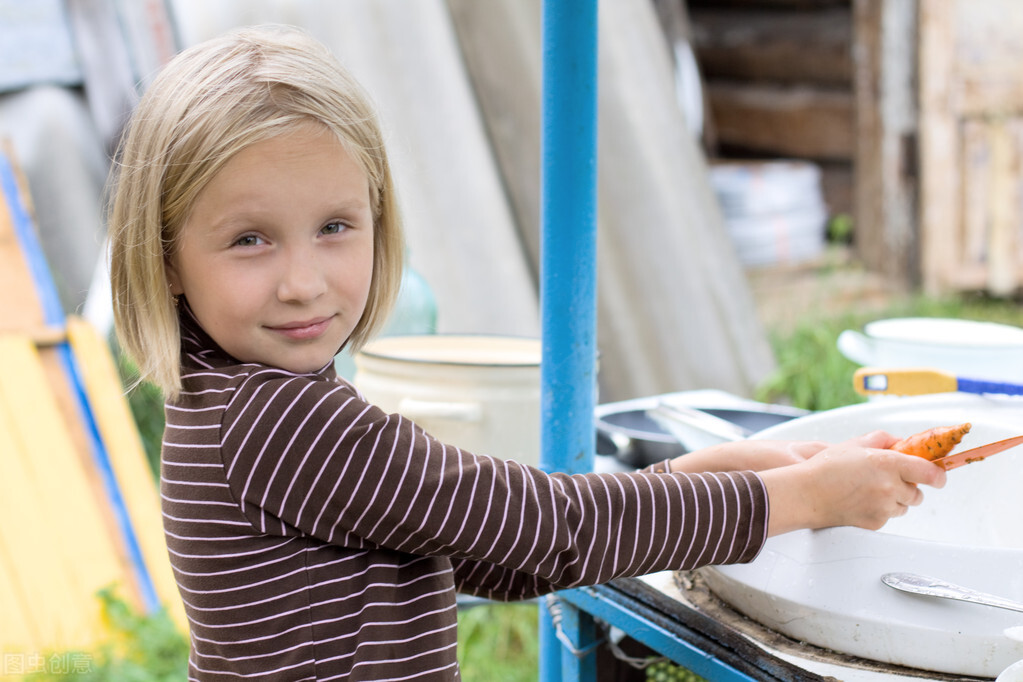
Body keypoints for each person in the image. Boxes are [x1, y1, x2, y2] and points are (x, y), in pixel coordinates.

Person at [108, 25, 946, 681]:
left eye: (334, 227)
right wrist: (793, 501)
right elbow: (545, 533)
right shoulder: (282, 420)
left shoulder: (232, 402)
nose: (303, 282)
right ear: (166, 257)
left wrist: (724, 472)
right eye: (249, 239)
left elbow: (492, 554)